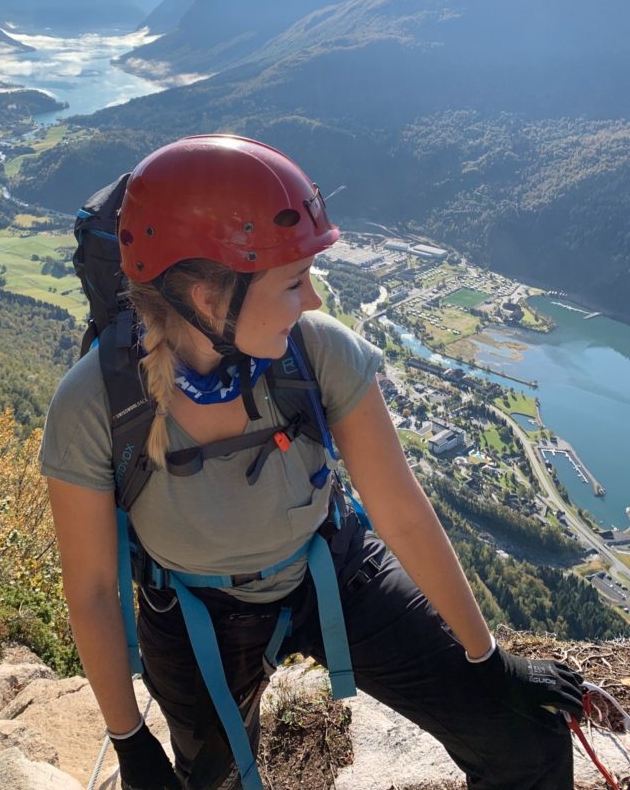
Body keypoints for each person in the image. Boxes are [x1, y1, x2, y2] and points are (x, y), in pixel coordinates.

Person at [40, 134, 583, 790]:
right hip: (193, 611)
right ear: (211, 299)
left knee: (523, 739)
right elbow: (93, 591)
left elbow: (401, 511)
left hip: (332, 567)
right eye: (294, 281)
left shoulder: (317, 351)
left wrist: (486, 660)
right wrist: (130, 742)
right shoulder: (95, 402)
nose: (315, 301)